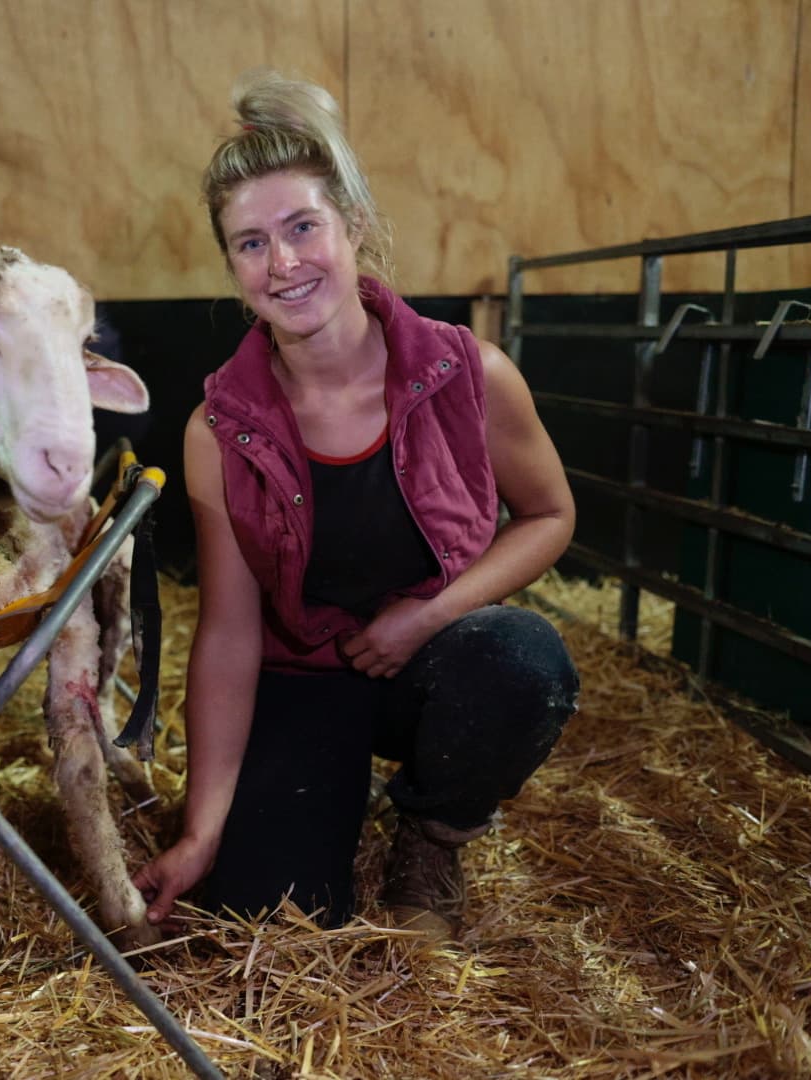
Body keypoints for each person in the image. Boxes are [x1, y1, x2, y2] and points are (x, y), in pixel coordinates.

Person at [131, 71, 580, 938]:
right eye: (251, 243)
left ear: (355, 228)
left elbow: (551, 516)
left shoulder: (467, 372)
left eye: (303, 228)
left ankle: (432, 837)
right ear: (231, 268)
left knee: (522, 662)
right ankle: (311, 801)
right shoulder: (217, 429)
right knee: (270, 919)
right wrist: (202, 829)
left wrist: (427, 616)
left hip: (430, 665)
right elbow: (228, 631)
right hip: (302, 679)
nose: (284, 263)